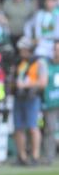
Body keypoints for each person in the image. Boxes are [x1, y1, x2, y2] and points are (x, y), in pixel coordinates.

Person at [13, 37, 48, 166]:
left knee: (33, 127)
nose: (21, 52)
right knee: (18, 127)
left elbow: (43, 82)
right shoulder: (20, 63)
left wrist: (26, 85)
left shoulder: (40, 62)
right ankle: (22, 156)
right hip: (19, 98)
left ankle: (35, 156)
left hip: (33, 98)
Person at [42, 41, 59, 165]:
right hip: (51, 102)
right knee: (50, 129)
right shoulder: (46, 65)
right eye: (55, 49)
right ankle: (49, 157)